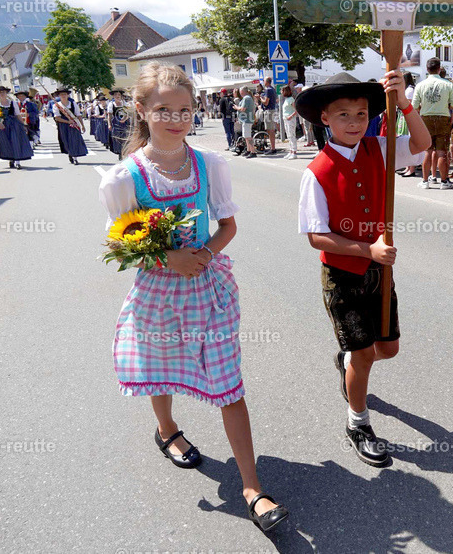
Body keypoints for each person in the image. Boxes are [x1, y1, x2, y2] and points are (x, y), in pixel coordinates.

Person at [97, 63, 288, 532]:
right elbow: (120, 244)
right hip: (158, 291)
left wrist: (202, 254)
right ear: (141, 109)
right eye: (164, 109)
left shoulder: (210, 164)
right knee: (160, 366)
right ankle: (166, 430)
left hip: (209, 287)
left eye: (184, 110)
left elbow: (228, 225)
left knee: (229, 382)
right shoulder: (124, 177)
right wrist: (168, 260)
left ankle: (252, 487)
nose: (176, 119)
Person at [295, 70, 430, 468]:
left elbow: (423, 144)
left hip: (379, 272)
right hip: (343, 277)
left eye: (360, 114)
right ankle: (358, 423)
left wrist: (403, 103)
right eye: (343, 115)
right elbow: (316, 237)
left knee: (387, 349)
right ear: (325, 118)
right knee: (364, 354)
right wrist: (368, 249)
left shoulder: (380, 148)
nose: (354, 122)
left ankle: (348, 363)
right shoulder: (316, 171)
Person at [413, 57, 453, 189]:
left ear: (427, 69)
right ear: (439, 69)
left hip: (426, 118)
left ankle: (425, 180)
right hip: (442, 118)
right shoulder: (447, 84)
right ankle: (444, 181)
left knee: (427, 151)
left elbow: (414, 105)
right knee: (441, 152)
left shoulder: (420, 85)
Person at [0, 86, 33, 170]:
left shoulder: (13, 103)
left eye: (3, 92)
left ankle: (17, 162)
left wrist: (23, 125)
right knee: (5, 143)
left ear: (6, 93)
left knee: (15, 141)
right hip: (1, 125)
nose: (2, 94)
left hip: (13, 125)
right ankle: (11, 158)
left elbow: (17, 114)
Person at [53, 88, 88, 165]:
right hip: (63, 125)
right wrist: (68, 121)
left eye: (65, 94)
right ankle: (70, 153)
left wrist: (82, 125)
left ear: (68, 95)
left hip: (74, 124)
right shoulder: (57, 105)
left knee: (74, 140)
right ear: (59, 96)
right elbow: (57, 118)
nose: (63, 96)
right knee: (66, 141)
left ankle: (75, 157)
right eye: (61, 94)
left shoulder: (73, 104)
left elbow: (78, 115)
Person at [107, 89, 131, 157]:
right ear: (113, 96)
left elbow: (128, 113)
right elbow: (109, 115)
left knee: (125, 136)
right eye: (116, 95)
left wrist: (125, 118)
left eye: (119, 95)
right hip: (116, 122)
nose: (117, 96)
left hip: (125, 122)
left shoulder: (124, 103)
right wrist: (109, 124)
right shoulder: (111, 104)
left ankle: (125, 151)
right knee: (117, 137)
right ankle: (119, 151)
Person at [235, 87, 257, 158]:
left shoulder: (247, 98)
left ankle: (253, 151)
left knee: (248, 137)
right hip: (246, 119)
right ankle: (248, 150)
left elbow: (243, 109)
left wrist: (236, 107)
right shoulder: (247, 98)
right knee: (246, 136)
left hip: (247, 119)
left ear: (242, 92)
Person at [281, 81, 300, 160]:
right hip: (286, 119)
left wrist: (291, 116)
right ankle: (291, 151)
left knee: (292, 135)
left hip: (290, 119)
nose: (281, 92)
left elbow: (296, 109)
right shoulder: (286, 99)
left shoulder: (291, 99)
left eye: (282, 91)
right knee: (289, 135)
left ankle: (294, 152)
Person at [259, 77, 278, 155]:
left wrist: (260, 98)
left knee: (270, 130)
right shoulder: (273, 89)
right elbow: (276, 100)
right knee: (271, 130)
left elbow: (266, 102)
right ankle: (273, 148)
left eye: (264, 81)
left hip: (269, 111)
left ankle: (273, 148)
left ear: (266, 82)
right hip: (272, 110)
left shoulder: (268, 90)